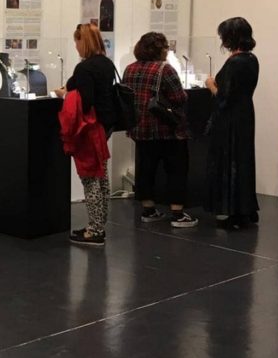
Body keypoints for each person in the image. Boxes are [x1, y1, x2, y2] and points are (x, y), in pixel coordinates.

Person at [123, 32, 197, 228]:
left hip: (140, 128)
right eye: (165, 47)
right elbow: (179, 98)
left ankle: (148, 210)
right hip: (166, 129)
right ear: (158, 49)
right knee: (176, 169)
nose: (167, 51)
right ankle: (177, 213)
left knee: (145, 170)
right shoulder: (165, 69)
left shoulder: (130, 69)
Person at [56, 23, 116, 246]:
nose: (75, 46)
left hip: (90, 127)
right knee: (101, 176)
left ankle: (95, 230)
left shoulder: (84, 68)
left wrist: (65, 95)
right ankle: (99, 224)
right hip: (105, 125)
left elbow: (85, 100)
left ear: (84, 41)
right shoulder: (106, 64)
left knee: (90, 177)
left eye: (77, 41)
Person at [205, 17, 259, 229]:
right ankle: (246, 209)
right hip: (245, 114)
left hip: (230, 119)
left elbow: (224, 98)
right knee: (243, 160)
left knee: (231, 162)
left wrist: (211, 84)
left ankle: (235, 213)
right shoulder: (251, 59)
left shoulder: (235, 62)